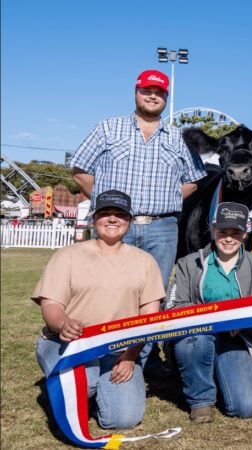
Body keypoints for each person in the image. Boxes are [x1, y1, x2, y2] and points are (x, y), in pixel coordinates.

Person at [69, 69, 207, 378]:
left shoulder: (177, 137)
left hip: (162, 227)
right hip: (117, 226)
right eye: (147, 90)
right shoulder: (108, 128)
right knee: (107, 288)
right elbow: (79, 169)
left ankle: (145, 358)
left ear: (166, 97)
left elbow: (195, 180)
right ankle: (101, 354)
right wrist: (107, 208)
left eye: (159, 92)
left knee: (152, 295)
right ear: (136, 92)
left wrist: (168, 201)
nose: (152, 96)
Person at [31, 190, 164, 429]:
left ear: (129, 221)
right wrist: (63, 323)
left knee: (123, 419)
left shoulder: (145, 261)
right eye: (105, 213)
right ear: (94, 219)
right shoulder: (68, 255)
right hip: (69, 344)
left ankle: (92, 396)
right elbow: (51, 305)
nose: (112, 219)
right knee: (87, 379)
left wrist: (130, 356)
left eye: (120, 214)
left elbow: (149, 318)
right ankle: (74, 393)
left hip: (118, 351)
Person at [166, 202, 252, 423]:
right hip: (198, 335)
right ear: (213, 230)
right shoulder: (187, 264)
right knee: (196, 342)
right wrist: (216, 321)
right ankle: (200, 400)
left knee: (246, 407)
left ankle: (215, 378)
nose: (229, 238)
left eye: (236, 233)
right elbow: (174, 308)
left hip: (242, 340)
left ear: (245, 235)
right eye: (223, 232)